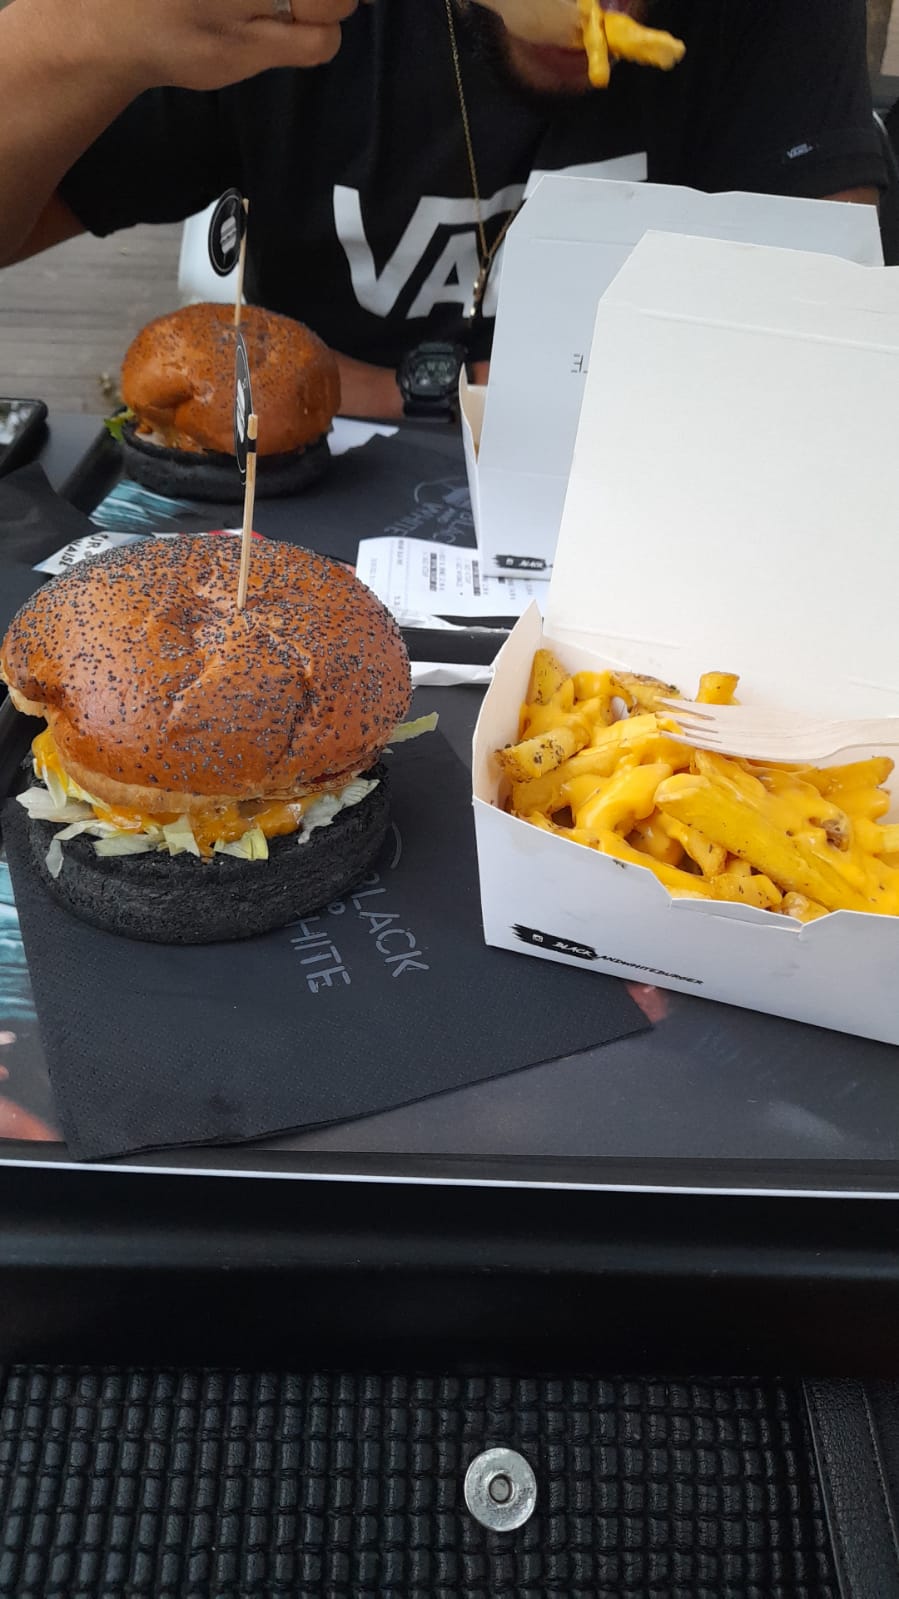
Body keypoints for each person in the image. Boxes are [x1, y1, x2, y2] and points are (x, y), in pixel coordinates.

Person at [0, 0, 884, 419]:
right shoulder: (295, 20)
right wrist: (75, 35)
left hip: (646, 506)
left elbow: (821, 355)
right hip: (300, 502)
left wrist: (384, 390)